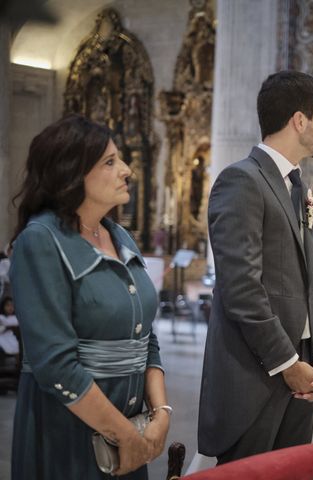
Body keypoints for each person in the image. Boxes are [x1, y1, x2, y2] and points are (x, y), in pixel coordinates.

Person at [9, 115, 170, 479]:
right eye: (110, 162)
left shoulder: (119, 236)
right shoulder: (41, 240)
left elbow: (146, 336)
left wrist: (161, 413)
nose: (126, 170)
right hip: (68, 433)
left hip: (130, 431)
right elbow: (54, 364)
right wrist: (126, 435)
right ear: (72, 173)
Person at [197, 70, 313, 464]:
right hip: (257, 373)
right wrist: (287, 363)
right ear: (299, 120)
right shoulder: (241, 180)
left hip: (302, 369)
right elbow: (242, 288)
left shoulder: (298, 187)